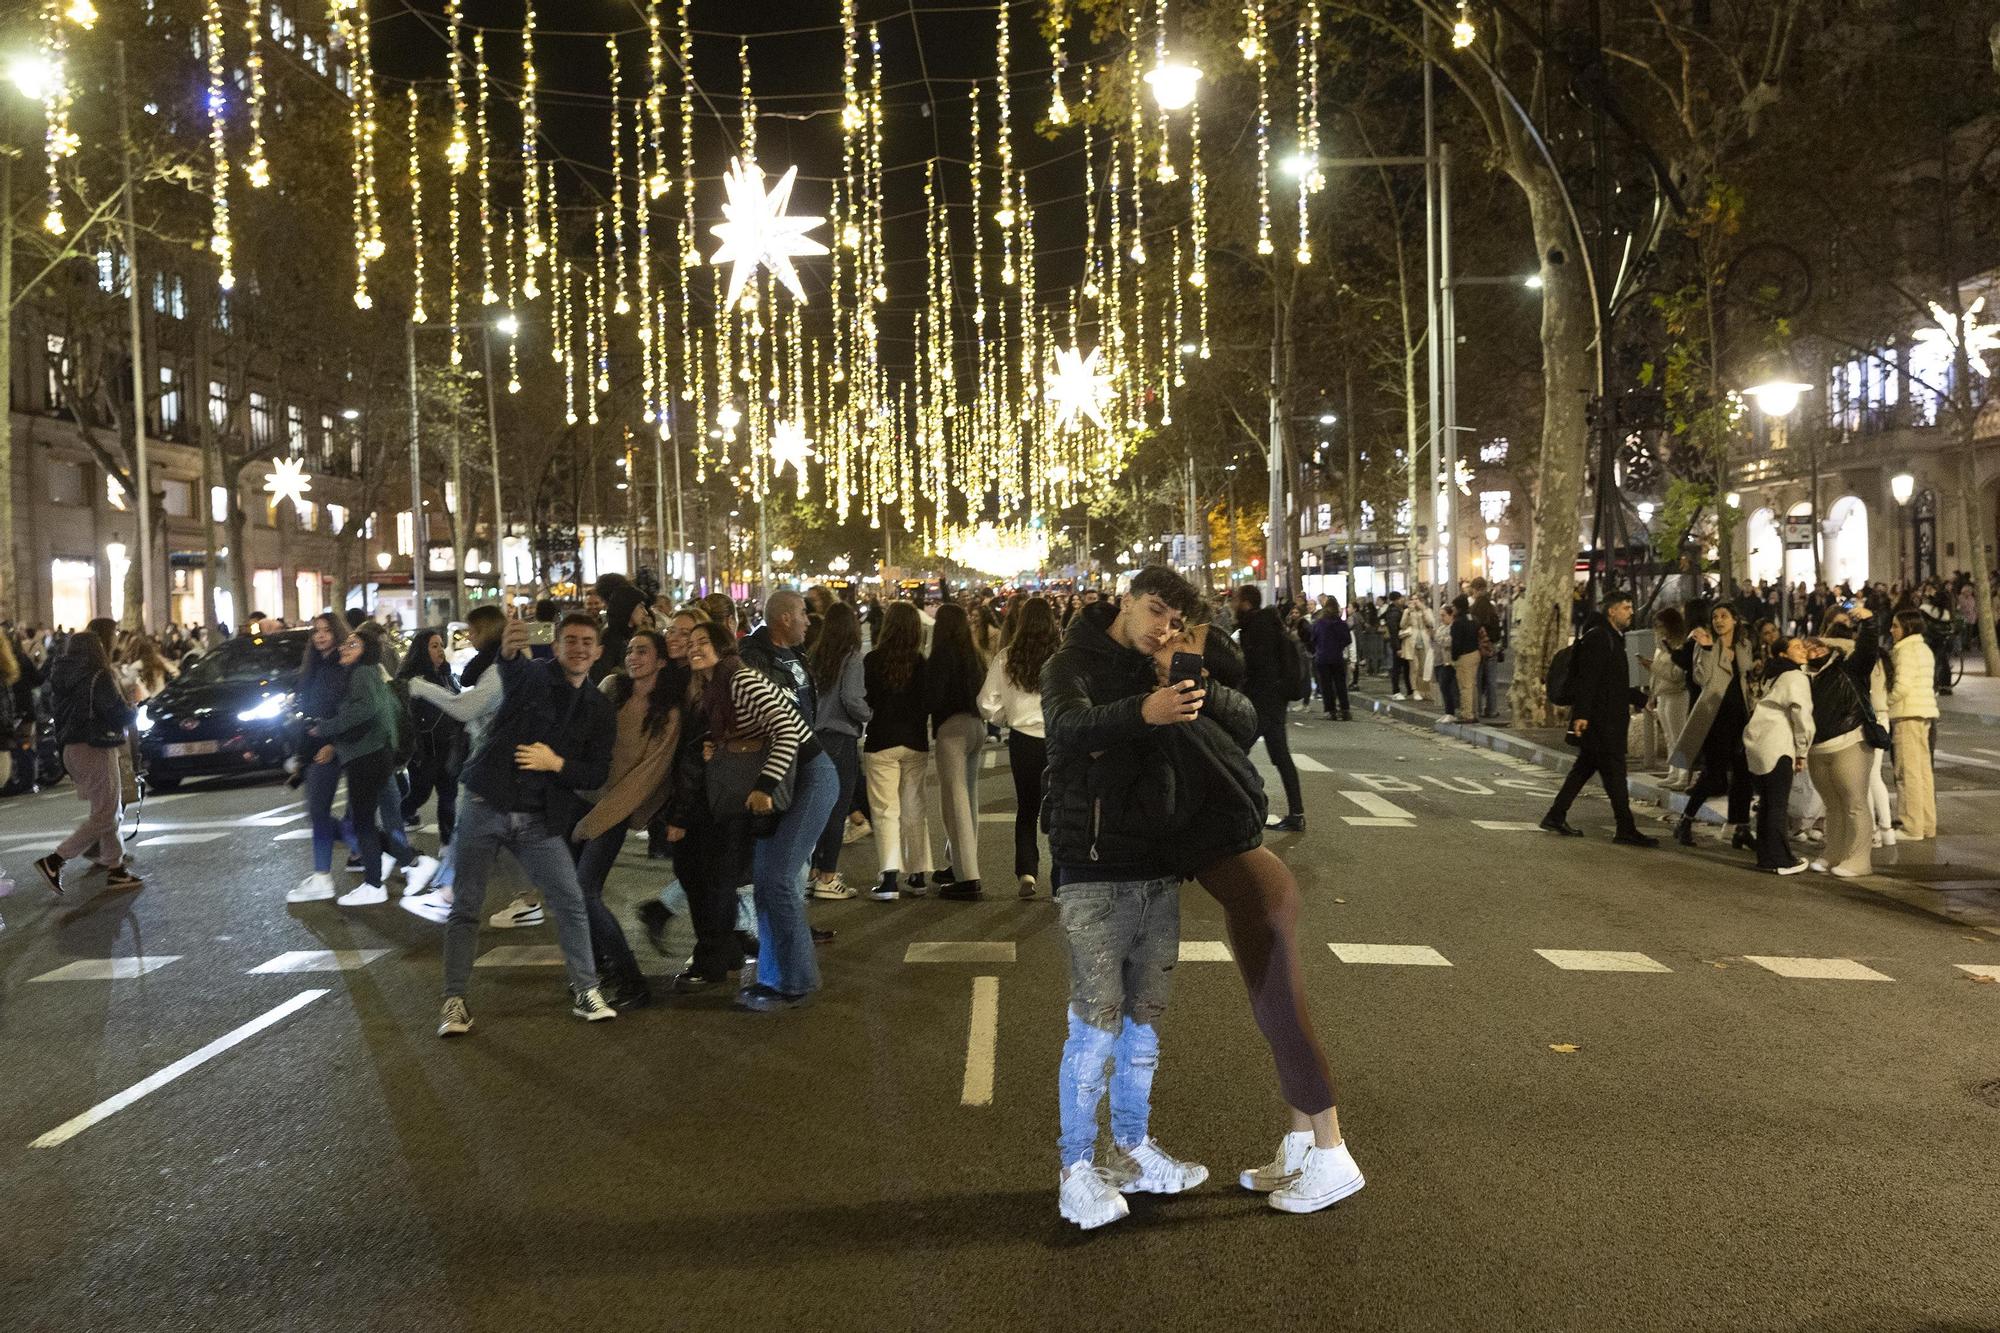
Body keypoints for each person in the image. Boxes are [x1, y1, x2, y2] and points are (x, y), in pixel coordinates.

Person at [1040, 569, 1219, 1229]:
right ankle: (1075, 1168)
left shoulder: (1160, 668)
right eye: (1156, 612)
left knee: (1143, 1024)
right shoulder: (1071, 662)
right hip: (1092, 868)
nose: (1162, 629)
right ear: (1126, 597)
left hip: (1156, 866)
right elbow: (1067, 724)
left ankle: (1131, 1148)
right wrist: (1145, 710)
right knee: (1094, 1023)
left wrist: (1196, 674)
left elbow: (1239, 720)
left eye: (1174, 622)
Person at [438, 612, 620, 1037]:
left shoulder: (598, 707)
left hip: (539, 819)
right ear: (554, 647)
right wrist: (505, 652)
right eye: (570, 640)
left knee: (570, 900)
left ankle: (586, 990)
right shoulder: (534, 677)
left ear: (597, 652)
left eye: (586, 641)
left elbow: (596, 773)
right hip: (486, 803)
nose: (578, 648)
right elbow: (513, 672)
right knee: (466, 906)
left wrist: (556, 764)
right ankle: (454, 1001)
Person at [685, 621, 840, 1011]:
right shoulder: (715, 688)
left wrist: (764, 787)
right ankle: (774, 977)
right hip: (788, 779)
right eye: (690, 642)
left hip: (810, 777)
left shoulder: (740, 679)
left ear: (723, 648)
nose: (694, 648)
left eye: (703, 641)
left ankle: (798, 980)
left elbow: (787, 729)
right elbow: (749, 733)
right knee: (765, 884)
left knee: (778, 879)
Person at [571, 629, 686, 1011]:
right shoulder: (611, 688)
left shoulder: (666, 713)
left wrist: (595, 821)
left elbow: (645, 777)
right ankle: (594, 971)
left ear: (662, 661)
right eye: (630, 650)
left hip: (610, 813)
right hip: (575, 800)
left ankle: (632, 980)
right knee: (573, 896)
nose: (634, 657)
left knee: (585, 893)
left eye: (643, 651)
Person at [1538, 590, 1657, 847]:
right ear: (1611, 611)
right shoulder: (1600, 638)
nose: (1631, 612)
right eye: (1626, 607)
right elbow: (1588, 681)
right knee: (1615, 773)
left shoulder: (1610, 637)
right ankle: (1625, 828)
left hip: (1604, 717)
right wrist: (1581, 715)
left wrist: (1640, 700)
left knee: (1583, 770)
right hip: (1601, 721)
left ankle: (1556, 815)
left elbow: (1611, 683)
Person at [34, 628, 141, 894]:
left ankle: (115, 869)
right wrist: (133, 709)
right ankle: (55, 860)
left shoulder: (62, 677)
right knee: (106, 812)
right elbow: (115, 713)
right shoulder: (99, 675)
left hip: (71, 748)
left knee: (107, 808)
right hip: (96, 745)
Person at [309, 625, 407, 908]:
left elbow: (365, 710)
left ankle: (375, 883)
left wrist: (328, 728)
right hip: (377, 753)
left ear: (366, 652)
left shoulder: (362, 673)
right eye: (346, 644)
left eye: (353, 645)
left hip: (366, 756)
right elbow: (389, 710)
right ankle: (407, 865)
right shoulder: (370, 674)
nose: (344, 648)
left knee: (363, 822)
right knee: (382, 816)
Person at [980, 593, 1057, 899]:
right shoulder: (1061, 656)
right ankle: (1061, 878)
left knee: (1027, 807)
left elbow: (987, 704)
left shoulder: (1008, 657)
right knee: (1060, 807)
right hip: (1056, 737)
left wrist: (1005, 718)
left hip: (1023, 739)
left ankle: (1027, 870)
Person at [862, 601, 936, 900]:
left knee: (885, 811)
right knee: (914, 806)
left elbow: (867, 700)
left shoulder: (872, 661)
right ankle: (917, 874)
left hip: (881, 740)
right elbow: (927, 702)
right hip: (915, 740)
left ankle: (890, 877)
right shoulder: (921, 663)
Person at [1671, 604, 1757, 851]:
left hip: (1740, 716)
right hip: (1714, 717)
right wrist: (1708, 648)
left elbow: (1747, 671)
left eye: (1724, 616)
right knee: (1714, 775)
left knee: (1743, 775)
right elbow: (1701, 679)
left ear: (1735, 620)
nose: (1719, 621)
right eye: (1715, 617)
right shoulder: (1706, 643)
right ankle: (1685, 820)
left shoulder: (1743, 645)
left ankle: (1741, 828)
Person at [1802, 616, 1879, 879]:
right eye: (1810, 648)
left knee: (1854, 802)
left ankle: (1858, 858)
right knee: (1832, 805)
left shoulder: (1848, 668)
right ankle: (1833, 852)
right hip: (1817, 749)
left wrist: (1868, 622)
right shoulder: (1802, 675)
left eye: (1820, 647)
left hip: (1850, 741)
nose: (1815, 651)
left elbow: (1867, 649)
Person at [289, 612, 357, 903]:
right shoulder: (314, 666)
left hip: (327, 747)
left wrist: (332, 743)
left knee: (317, 813)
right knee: (316, 813)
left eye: (327, 631)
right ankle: (371, 848)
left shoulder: (339, 667)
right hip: (312, 746)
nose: (320, 636)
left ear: (337, 634)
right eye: (316, 631)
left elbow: (341, 709)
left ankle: (324, 875)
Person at [805, 601, 871, 901]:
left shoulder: (815, 655)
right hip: (841, 737)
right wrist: (869, 713)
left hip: (815, 737)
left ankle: (813, 872)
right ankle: (828, 876)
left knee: (817, 807)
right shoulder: (852, 658)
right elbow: (852, 698)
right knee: (838, 807)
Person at [1230, 585, 1306, 833]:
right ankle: (1294, 813)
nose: (1232, 605)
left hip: (1264, 702)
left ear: (1246, 602)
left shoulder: (1256, 627)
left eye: (1235, 600)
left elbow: (1258, 667)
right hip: (1272, 700)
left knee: (1234, 753)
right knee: (1271, 755)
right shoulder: (1267, 624)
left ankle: (1244, 808)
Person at [927, 603, 988, 901]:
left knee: (955, 800)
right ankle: (960, 865)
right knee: (969, 797)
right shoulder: (973, 653)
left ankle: (967, 876)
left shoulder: (942, 653)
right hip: (976, 725)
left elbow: (933, 695)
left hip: (952, 727)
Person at [1743, 636, 1813, 874]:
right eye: (1796, 647)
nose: (1802, 650)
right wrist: (1803, 750)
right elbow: (1802, 715)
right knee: (1777, 804)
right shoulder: (1795, 677)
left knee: (1767, 803)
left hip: (1757, 743)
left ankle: (1766, 857)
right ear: (1783, 654)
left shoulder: (1771, 675)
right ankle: (1780, 859)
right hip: (1778, 744)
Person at [397, 629, 464, 848]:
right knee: (419, 794)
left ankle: (447, 844)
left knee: (448, 796)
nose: (440, 650)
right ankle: (395, 820)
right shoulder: (414, 681)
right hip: (426, 751)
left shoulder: (448, 677)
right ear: (422, 651)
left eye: (441, 645)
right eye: (434, 646)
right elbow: (406, 717)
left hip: (449, 747)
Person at [1886, 609, 1938, 842]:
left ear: (1907, 628)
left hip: (1907, 714)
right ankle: (1927, 823)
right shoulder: (1924, 649)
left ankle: (1911, 826)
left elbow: (1902, 686)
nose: (1891, 630)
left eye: (1895, 626)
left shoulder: (1905, 651)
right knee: (1923, 772)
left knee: (1907, 773)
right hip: (1924, 713)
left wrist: (1885, 703)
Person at [1642, 608, 1692, 790]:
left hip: (1677, 694)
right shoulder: (1661, 646)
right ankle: (1674, 772)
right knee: (1670, 737)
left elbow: (1676, 675)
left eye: (1661, 626)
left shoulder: (1679, 647)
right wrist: (1652, 695)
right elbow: (1657, 675)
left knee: (1679, 736)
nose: (1658, 629)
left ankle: (1684, 774)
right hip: (1663, 695)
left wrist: (1652, 667)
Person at [1309, 598, 1352, 720]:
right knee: (1340, 684)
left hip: (1322, 657)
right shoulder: (1341, 624)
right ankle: (1345, 709)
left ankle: (1330, 710)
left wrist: (1317, 649)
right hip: (1337, 656)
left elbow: (1313, 639)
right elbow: (1347, 640)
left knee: (1326, 685)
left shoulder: (1319, 623)